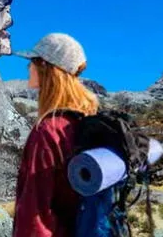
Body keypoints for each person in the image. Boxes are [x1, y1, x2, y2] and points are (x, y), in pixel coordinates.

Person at [11, 33, 99, 237]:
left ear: (45, 66)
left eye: (32, 61)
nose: (28, 68)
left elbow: (35, 213)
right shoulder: (84, 122)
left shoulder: (48, 130)